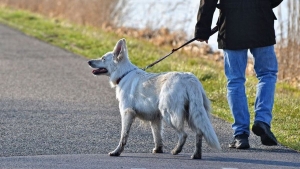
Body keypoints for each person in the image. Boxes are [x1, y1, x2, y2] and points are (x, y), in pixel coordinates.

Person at [194, 0, 283, 149]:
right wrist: (264, 4)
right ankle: (262, 121)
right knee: (267, 74)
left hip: (231, 25)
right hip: (261, 21)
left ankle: (241, 135)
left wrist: (202, 30)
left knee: (235, 80)